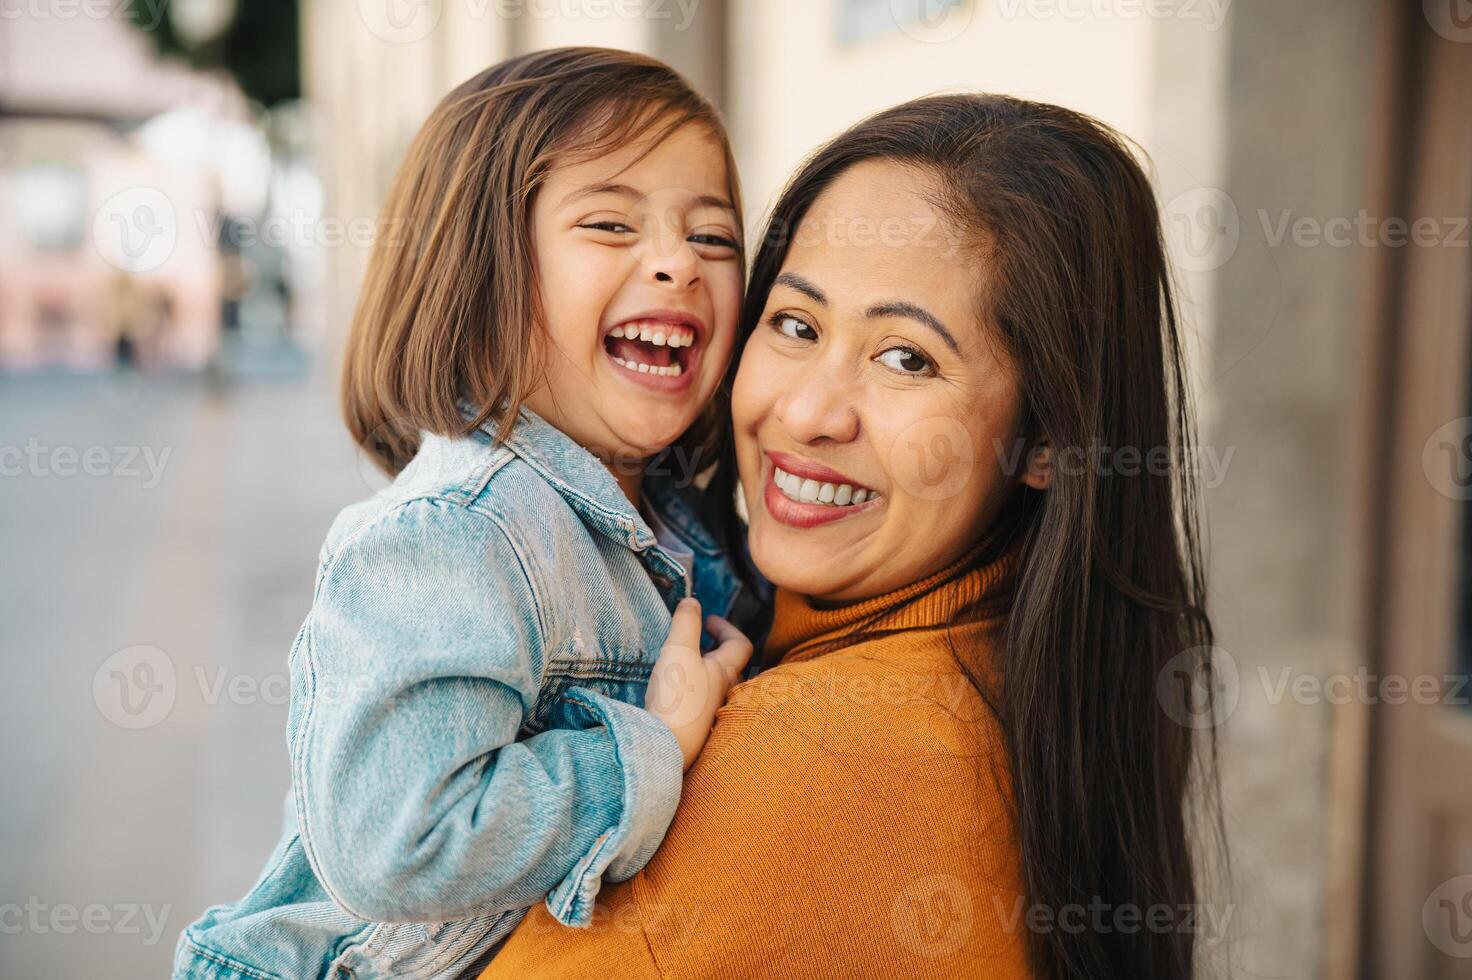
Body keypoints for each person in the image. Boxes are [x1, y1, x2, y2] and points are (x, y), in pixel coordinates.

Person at [481, 93, 1219, 979]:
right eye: (795, 325)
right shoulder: (1054, 680)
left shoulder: (809, 760)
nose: (805, 412)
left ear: (1050, 439)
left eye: (906, 357)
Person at [173, 48, 763, 980]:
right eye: (610, 222)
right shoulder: (457, 532)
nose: (678, 264)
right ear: (481, 272)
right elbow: (397, 840)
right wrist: (652, 750)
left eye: (715, 238)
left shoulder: (692, 522)